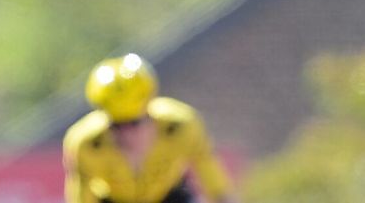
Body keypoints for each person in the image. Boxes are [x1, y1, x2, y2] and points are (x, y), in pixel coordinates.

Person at [63, 53, 240, 203]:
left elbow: (215, 183)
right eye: (116, 126)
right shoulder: (85, 144)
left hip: (170, 197)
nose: (127, 134)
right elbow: (80, 197)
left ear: (150, 110)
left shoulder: (181, 126)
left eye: (135, 123)